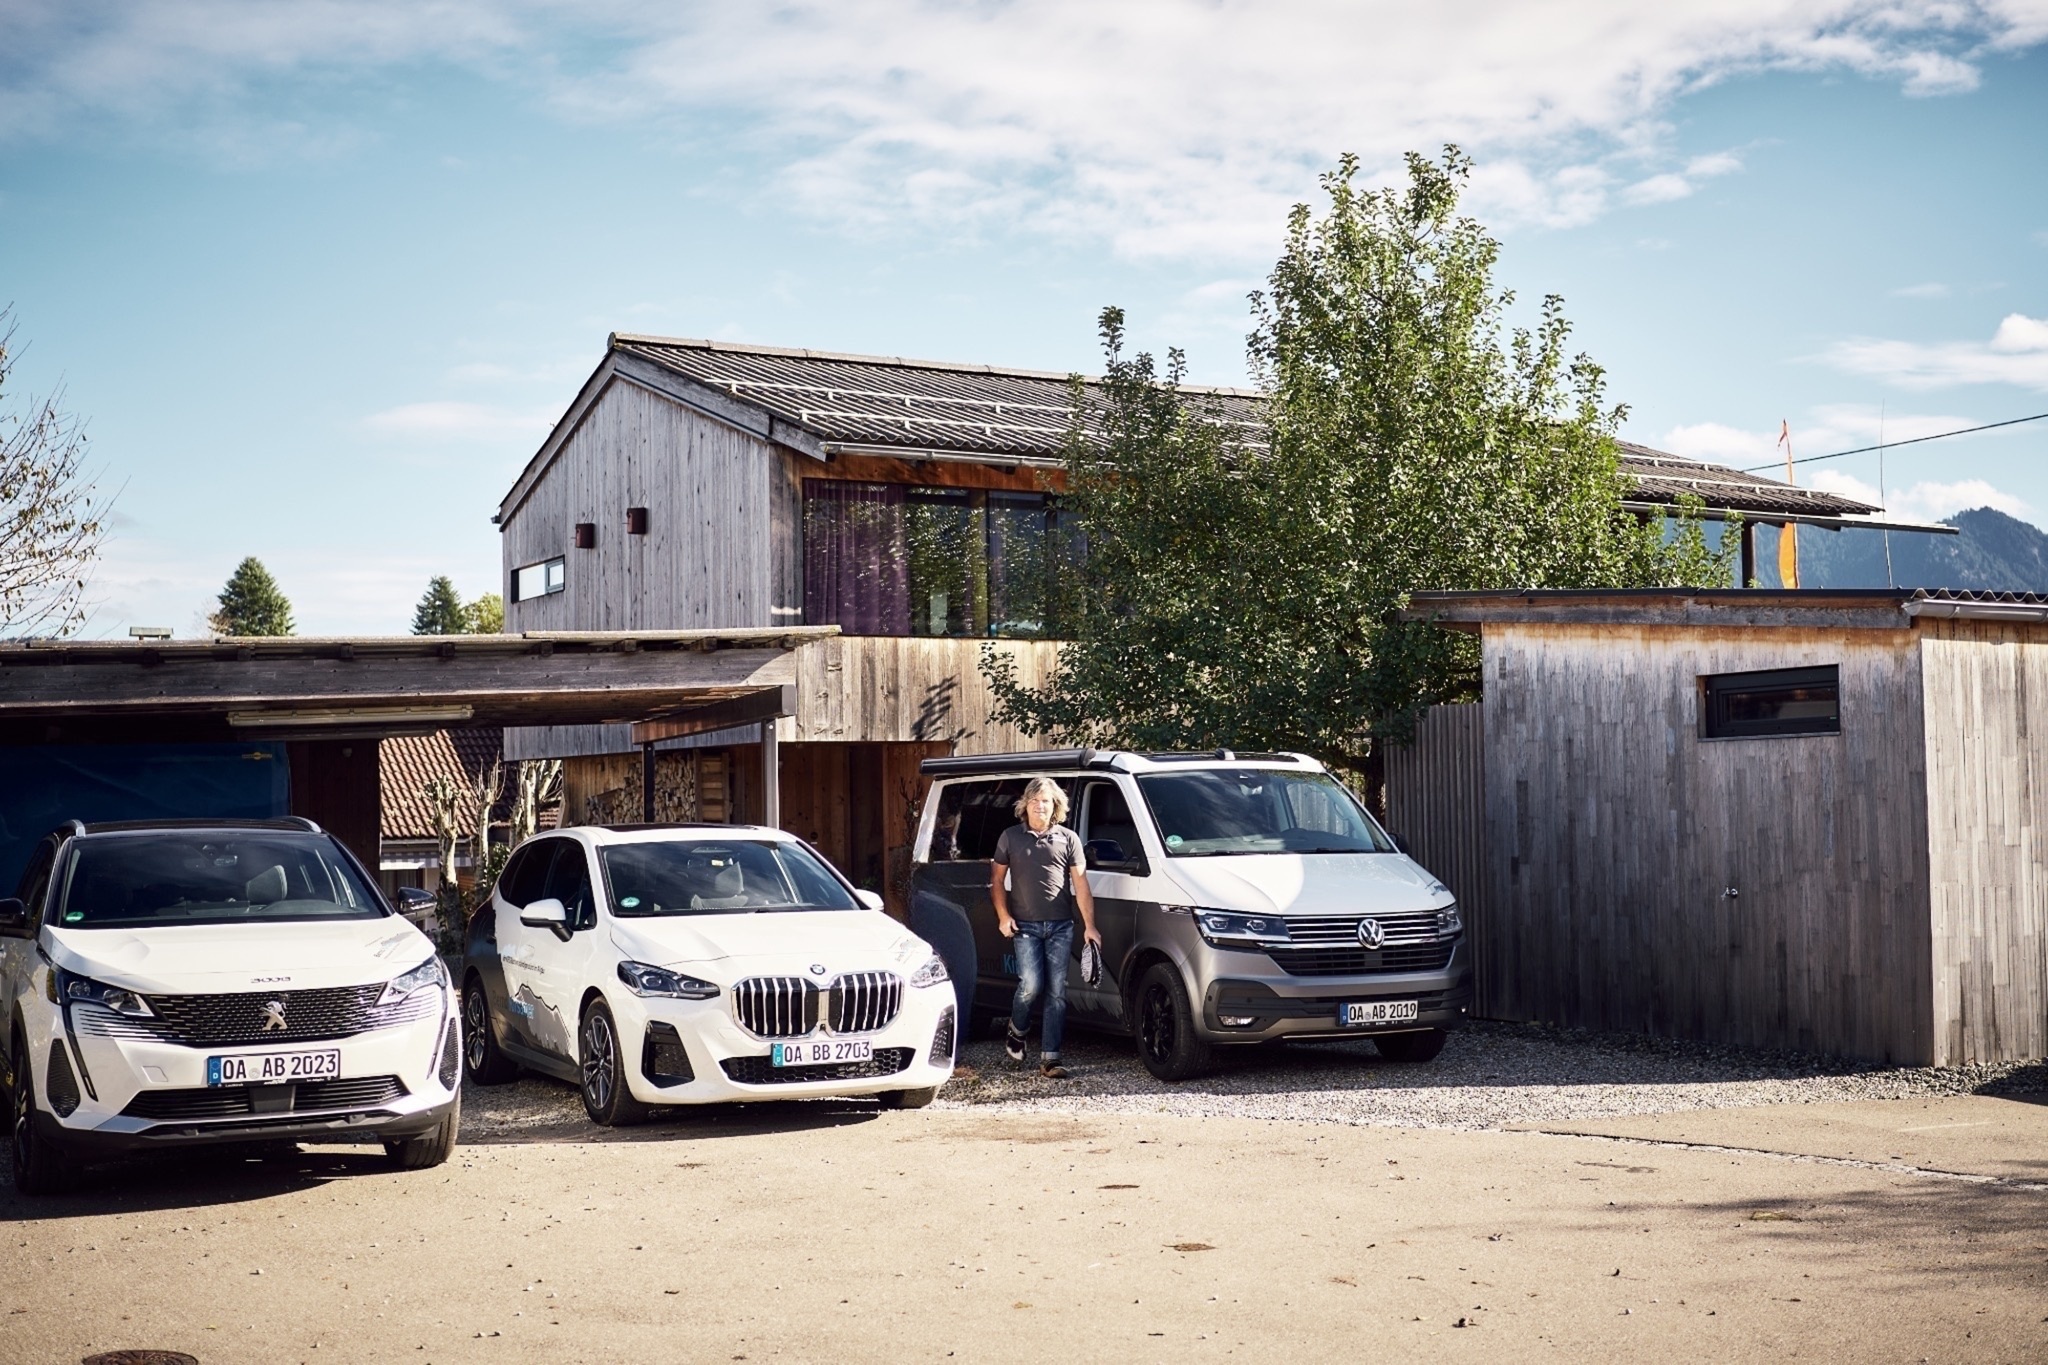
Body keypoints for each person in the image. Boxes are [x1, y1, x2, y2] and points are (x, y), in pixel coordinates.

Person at [991, 777, 1099, 1079]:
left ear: (1056, 807)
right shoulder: (1010, 837)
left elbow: (1081, 884)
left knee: (1056, 993)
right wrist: (1003, 916)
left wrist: (1091, 926)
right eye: (1036, 800)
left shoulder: (1069, 838)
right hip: (1024, 926)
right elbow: (997, 881)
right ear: (1026, 804)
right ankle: (1018, 1028)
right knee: (1030, 986)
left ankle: (1050, 1058)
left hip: (1062, 927)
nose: (1041, 805)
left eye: (1047, 801)